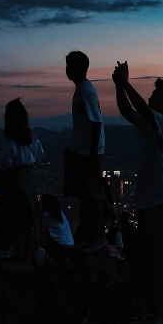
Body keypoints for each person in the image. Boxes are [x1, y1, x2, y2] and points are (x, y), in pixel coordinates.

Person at [111, 61, 163, 324]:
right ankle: (154, 309)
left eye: (155, 95)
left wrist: (126, 82)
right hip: (149, 202)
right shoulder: (156, 125)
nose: (151, 98)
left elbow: (141, 108)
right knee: (150, 261)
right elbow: (129, 112)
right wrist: (119, 85)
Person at [0, 98, 44, 272]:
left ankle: (20, 261)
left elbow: (6, 160)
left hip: (13, 178)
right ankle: (27, 262)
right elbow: (40, 153)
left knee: (15, 219)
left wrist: (0, 160)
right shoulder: (30, 136)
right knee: (28, 220)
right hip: (28, 178)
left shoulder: (8, 136)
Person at [64, 51, 106, 250]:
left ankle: (97, 235)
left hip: (89, 151)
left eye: (69, 65)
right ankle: (88, 231)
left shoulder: (85, 90)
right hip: (83, 150)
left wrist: (92, 153)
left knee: (93, 194)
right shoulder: (82, 88)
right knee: (87, 194)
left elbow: (96, 121)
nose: (67, 69)